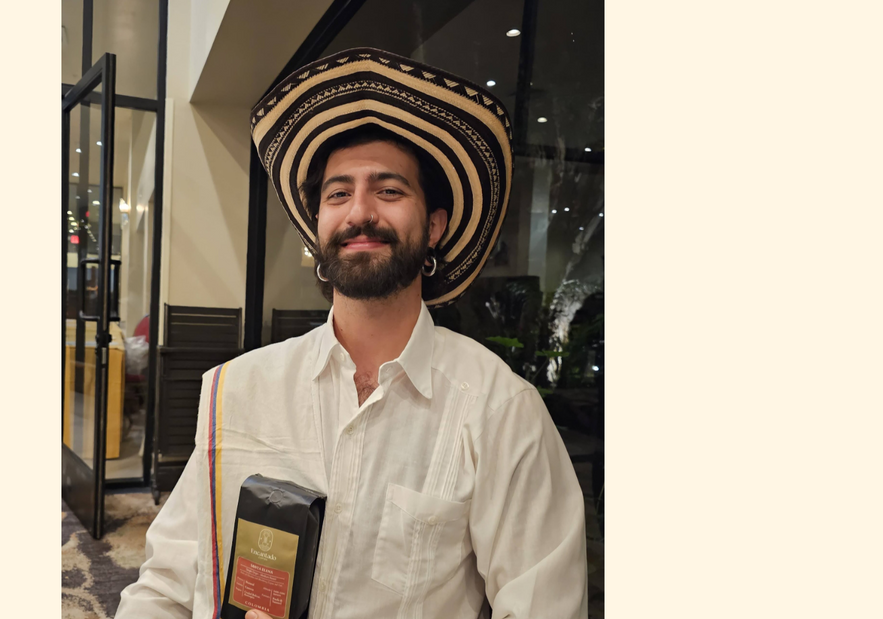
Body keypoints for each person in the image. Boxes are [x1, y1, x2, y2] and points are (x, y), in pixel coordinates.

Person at [116, 47, 587, 619]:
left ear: (434, 225)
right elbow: (165, 586)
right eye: (338, 194)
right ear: (318, 228)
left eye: (389, 191)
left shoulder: (500, 411)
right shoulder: (238, 391)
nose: (359, 212)